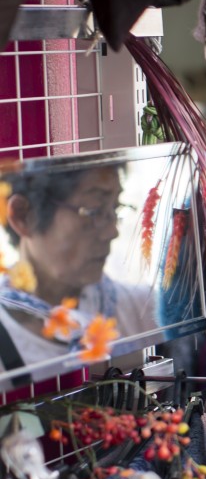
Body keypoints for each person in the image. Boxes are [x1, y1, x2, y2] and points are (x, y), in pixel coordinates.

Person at [0, 163, 157, 382]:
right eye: (93, 211)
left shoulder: (144, 310)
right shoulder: (7, 335)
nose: (112, 232)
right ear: (23, 216)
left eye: (115, 208)